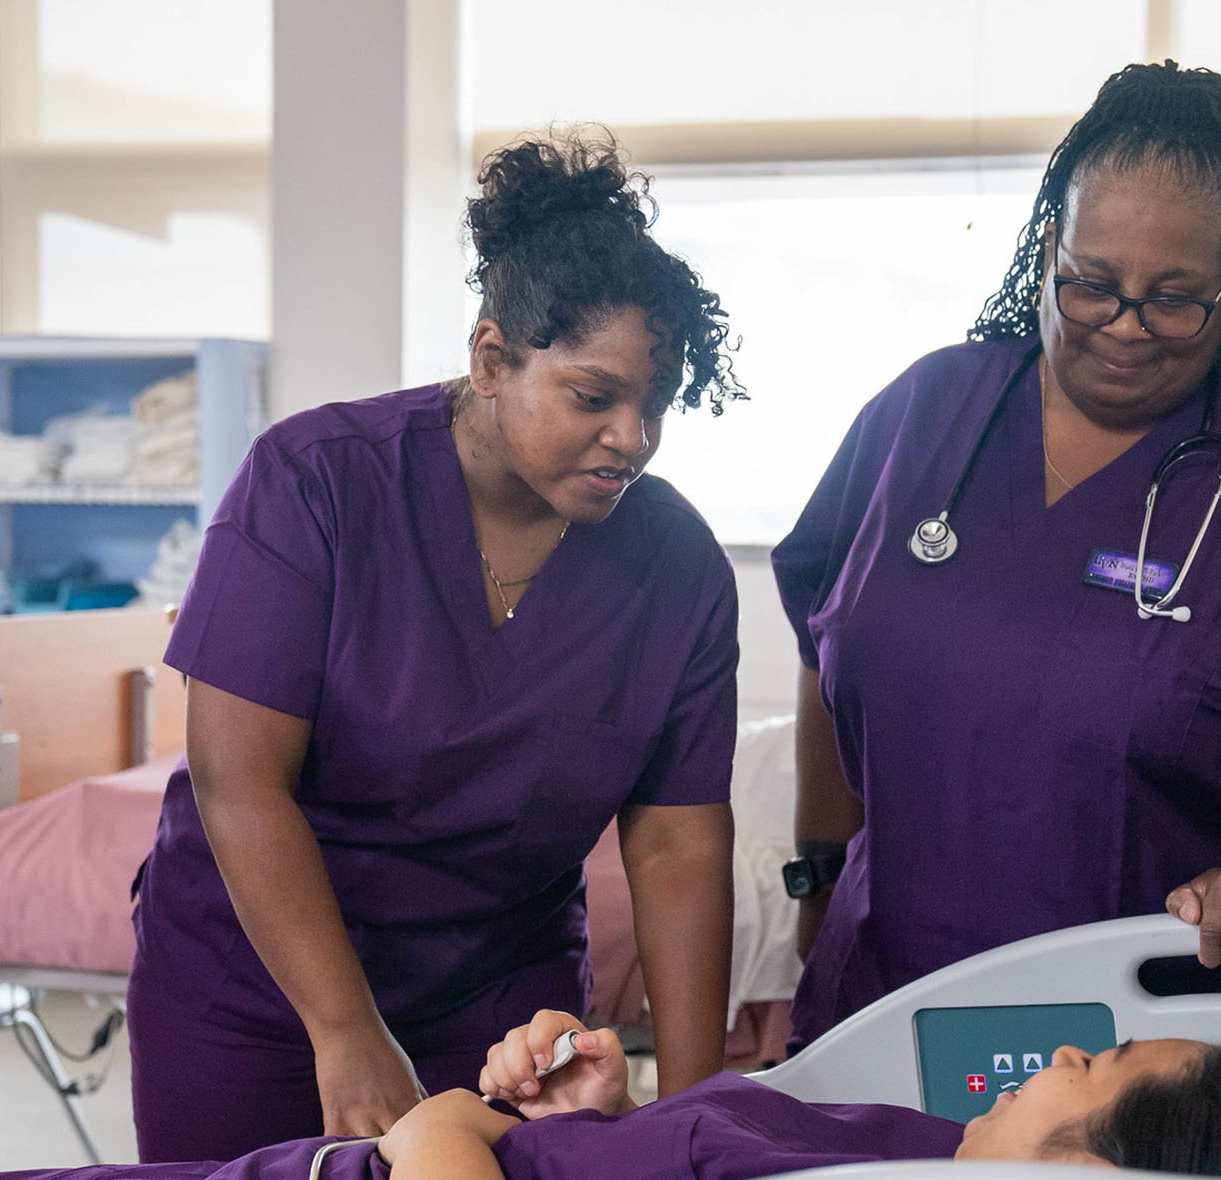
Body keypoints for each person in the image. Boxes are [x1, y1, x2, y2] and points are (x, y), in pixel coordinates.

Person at [128, 131, 745, 1161]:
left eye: (657, 403)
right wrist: (344, 1029)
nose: (633, 438)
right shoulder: (316, 482)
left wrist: (696, 1113)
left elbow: (678, 844)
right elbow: (239, 781)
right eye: (594, 397)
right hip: (259, 986)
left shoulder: (674, 566)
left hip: (504, 1013)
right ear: (491, 359)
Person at [774, 61, 1221, 1048]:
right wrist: (814, 877)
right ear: (1048, 249)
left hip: (1168, 1040)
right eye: (1093, 285)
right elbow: (825, 642)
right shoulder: (927, 411)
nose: (1124, 327)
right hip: (883, 1005)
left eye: (1174, 298)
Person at [0, 1009, 1221, 1179]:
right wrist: (608, 1112)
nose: (1059, 1055)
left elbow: (435, 1138)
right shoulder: (921, 1146)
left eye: (1090, 1069)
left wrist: (449, 1129)